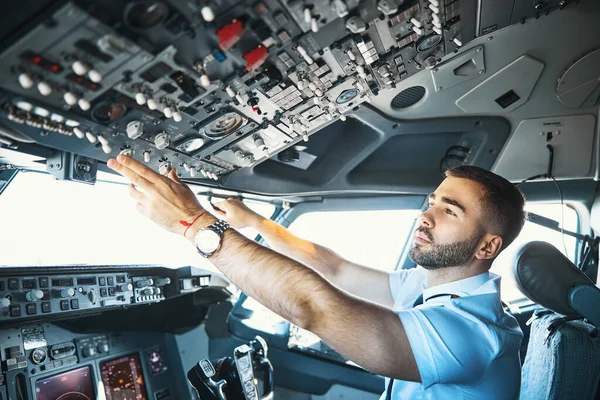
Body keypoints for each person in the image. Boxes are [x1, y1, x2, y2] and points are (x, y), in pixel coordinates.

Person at [107, 154, 526, 399]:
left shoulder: (476, 333)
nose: (426, 214)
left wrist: (193, 224)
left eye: (449, 210)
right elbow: (334, 268)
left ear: (487, 247)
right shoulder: (428, 287)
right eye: (432, 201)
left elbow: (314, 308)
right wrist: (255, 221)